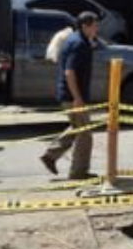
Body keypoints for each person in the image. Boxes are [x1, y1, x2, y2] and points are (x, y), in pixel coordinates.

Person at [40, 12, 99, 179]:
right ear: (84, 26)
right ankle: (78, 172)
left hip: (70, 94)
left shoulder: (77, 39)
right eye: (94, 25)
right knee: (85, 134)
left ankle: (50, 156)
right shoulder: (78, 43)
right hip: (72, 96)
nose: (97, 29)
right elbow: (69, 72)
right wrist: (77, 98)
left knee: (77, 128)